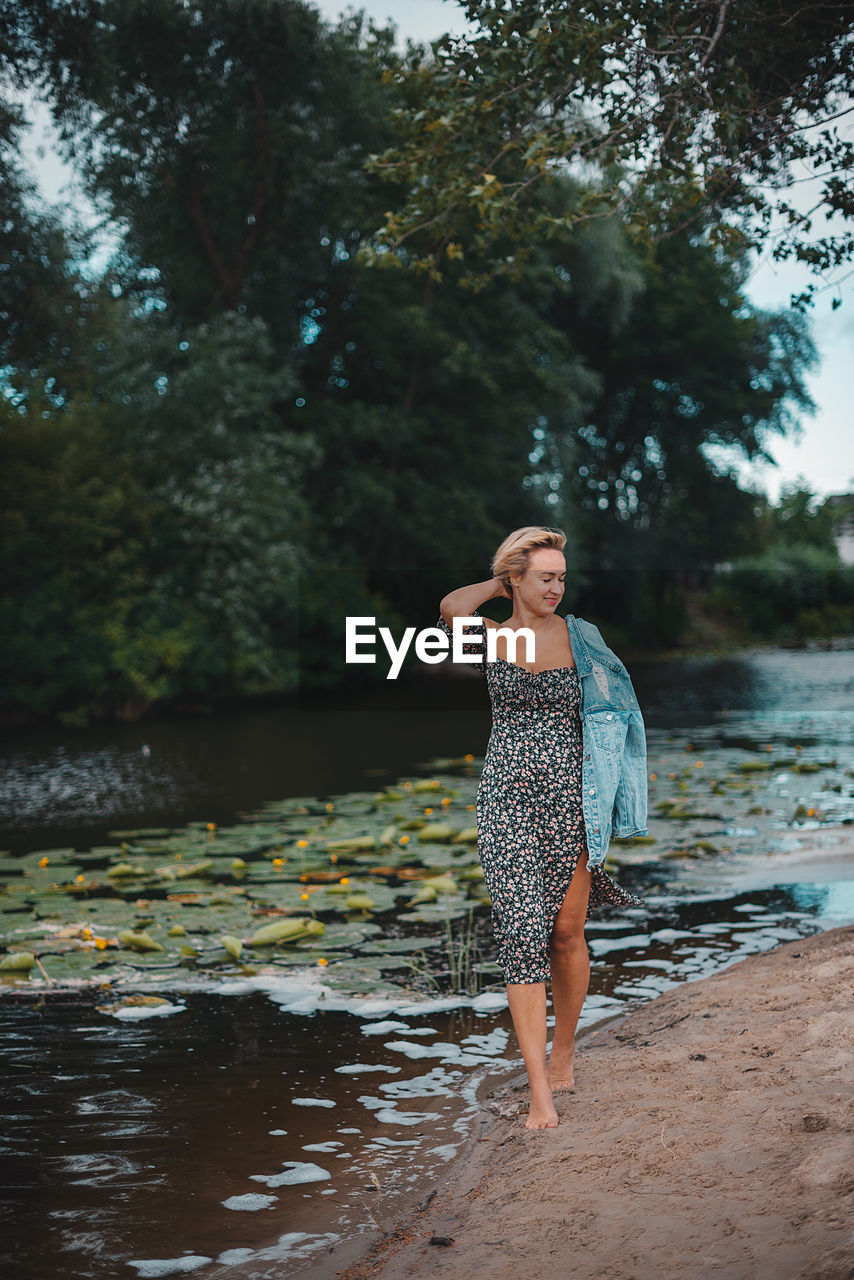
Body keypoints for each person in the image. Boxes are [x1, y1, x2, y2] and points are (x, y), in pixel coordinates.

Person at [436, 526, 647, 1130]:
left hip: (573, 801)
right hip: (507, 800)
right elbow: (451, 607)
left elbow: (619, 719)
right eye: (545, 577)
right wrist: (499, 584)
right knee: (521, 933)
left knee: (565, 934)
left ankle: (565, 1049)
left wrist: (611, 803)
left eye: (561, 577)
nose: (556, 587)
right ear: (517, 581)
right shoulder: (492, 639)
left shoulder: (582, 641)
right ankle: (538, 1092)